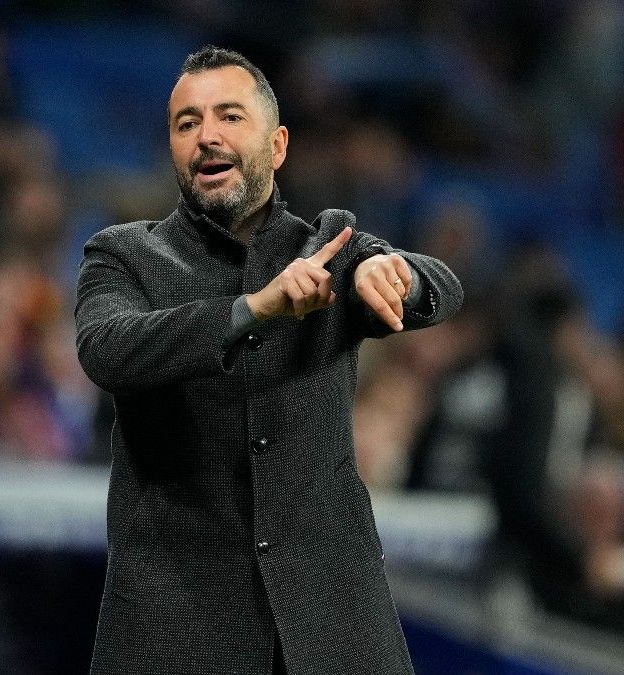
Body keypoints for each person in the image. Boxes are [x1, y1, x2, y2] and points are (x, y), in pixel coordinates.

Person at [74, 46, 463, 675]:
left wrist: (392, 274)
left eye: (229, 117)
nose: (207, 137)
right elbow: (107, 349)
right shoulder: (123, 256)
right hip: (175, 632)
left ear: (277, 146)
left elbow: (439, 288)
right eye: (186, 123)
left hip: (334, 631)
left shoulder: (330, 247)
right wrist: (253, 309)